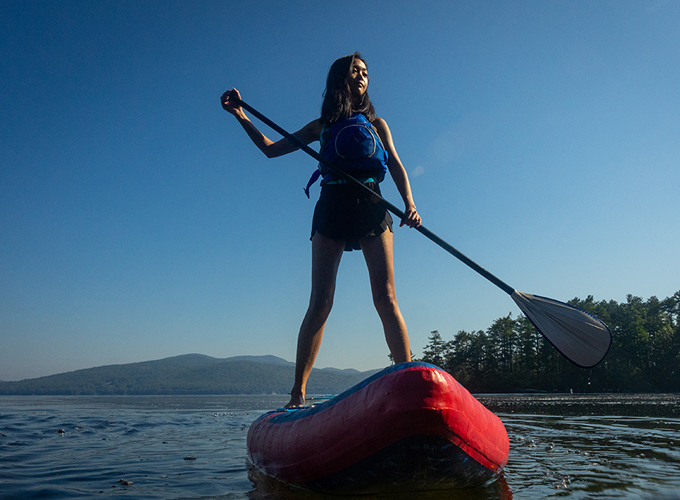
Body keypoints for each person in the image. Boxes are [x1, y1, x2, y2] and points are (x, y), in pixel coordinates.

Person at [221, 52, 421, 407]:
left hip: (373, 204)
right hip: (332, 207)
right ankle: (297, 393)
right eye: (353, 71)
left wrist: (410, 203)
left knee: (386, 297)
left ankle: (407, 379)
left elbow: (396, 166)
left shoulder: (378, 124)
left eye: (365, 72)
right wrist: (241, 115)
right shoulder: (321, 126)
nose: (361, 76)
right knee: (321, 301)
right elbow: (270, 149)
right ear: (338, 80)